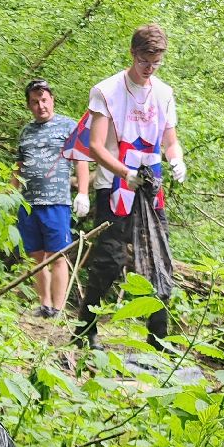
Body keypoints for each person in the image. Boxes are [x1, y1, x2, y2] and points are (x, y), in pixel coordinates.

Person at [69, 24, 186, 349]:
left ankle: (157, 335)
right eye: (145, 60)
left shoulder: (163, 93)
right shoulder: (107, 90)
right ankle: (85, 329)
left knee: (159, 255)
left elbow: (170, 140)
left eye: (156, 62)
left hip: (150, 184)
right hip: (115, 183)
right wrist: (125, 174)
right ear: (134, 54)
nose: (149, 68)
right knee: (109, 258)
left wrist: (176, 159)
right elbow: (95, 146)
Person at [13, 79, 91, 318]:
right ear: (29, 105)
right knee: (36, 255)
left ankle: (58, 308)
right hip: (28, 203)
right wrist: (11, 195)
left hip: (56, 202)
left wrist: (83, 193)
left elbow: (81, 160)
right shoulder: (26, 131)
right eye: (35, 102)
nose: (41, 106)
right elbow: (18, 166)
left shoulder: (68, 126)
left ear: (52, 100)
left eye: (44, 100)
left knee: (57, 255)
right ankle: (44, 304)